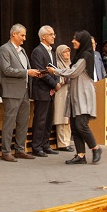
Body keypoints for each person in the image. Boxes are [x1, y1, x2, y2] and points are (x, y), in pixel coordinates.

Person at [48, 31, 102, 164]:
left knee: (81, 125)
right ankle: (80, 155)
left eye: (76, 39)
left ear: (82, 41)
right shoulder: (80, 55)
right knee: (75, 126)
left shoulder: (85, 56)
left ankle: (96, 148)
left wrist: (55, 71)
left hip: (83, 96)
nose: (73, 41)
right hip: (75, 96)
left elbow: (73, 72)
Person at [0, 24, 41, 162]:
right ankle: (6, 152)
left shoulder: (22, 51)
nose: (24, 38)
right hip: (11, 92)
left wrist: (34, 73)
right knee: (9, 122)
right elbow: (6, 70)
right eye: (22, 35)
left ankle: (20, 150)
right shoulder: (5, 49)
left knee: (23, 122)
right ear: (14, 34)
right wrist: (27, 72)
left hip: (24, 91)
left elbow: (25, 69)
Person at [30, 25, 60, 157]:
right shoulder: (37, 51)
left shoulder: (52, 52)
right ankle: (36, 147)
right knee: (40, 120)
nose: (54, 36)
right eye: (51, 34)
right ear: (43, 36)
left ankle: (45, 144)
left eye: (53, 34)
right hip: (41, 90)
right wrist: (54, 84)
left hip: (51, 91)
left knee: (48, 120)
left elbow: (55, 70)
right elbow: (41, 72)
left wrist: (55, 84)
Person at [52, 44, 73, 152]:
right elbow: (58, 80)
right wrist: (67, 78)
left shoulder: (70, 64)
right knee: (61, 118)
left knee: (68, 119)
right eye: (65, 52)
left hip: (69, 93)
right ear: (59, 54)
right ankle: (62, 143)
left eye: (68, 51)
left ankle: (68, 141)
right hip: (61, 94)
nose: (67, 54)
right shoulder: (57, 64)